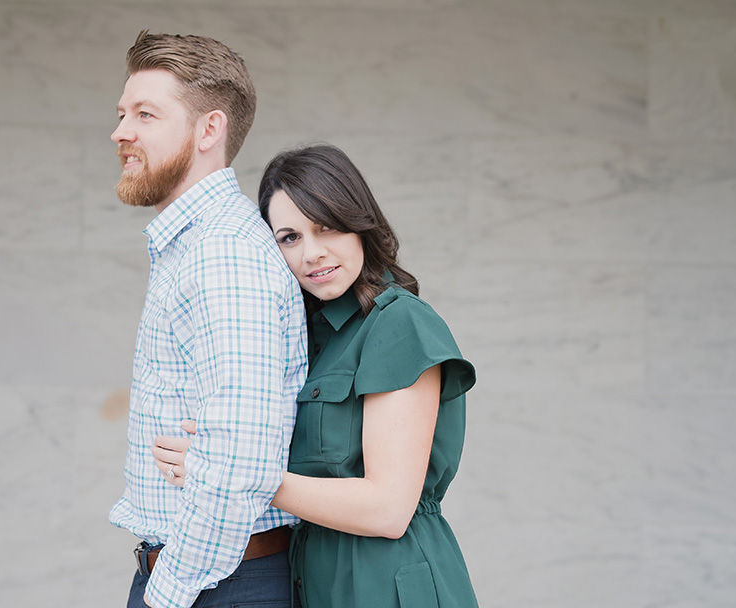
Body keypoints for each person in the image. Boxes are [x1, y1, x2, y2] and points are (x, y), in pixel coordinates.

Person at [154, 144, 479, 607]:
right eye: (289, 237)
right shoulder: (314, 335)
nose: (312, 253)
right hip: (316, 577)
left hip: (387, 582)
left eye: (326, 228)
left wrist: (235, 475)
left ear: (360, 223)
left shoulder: (399, 325)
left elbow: (388, 509)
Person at [107, 30, 308, 608]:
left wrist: (165, 593)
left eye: (146, 114)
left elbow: (241, 460)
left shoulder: (223, 253)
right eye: (122, 113)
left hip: (216, 584)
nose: (121, 132)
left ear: (209, 129)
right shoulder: (196, 245)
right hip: (208, 578)